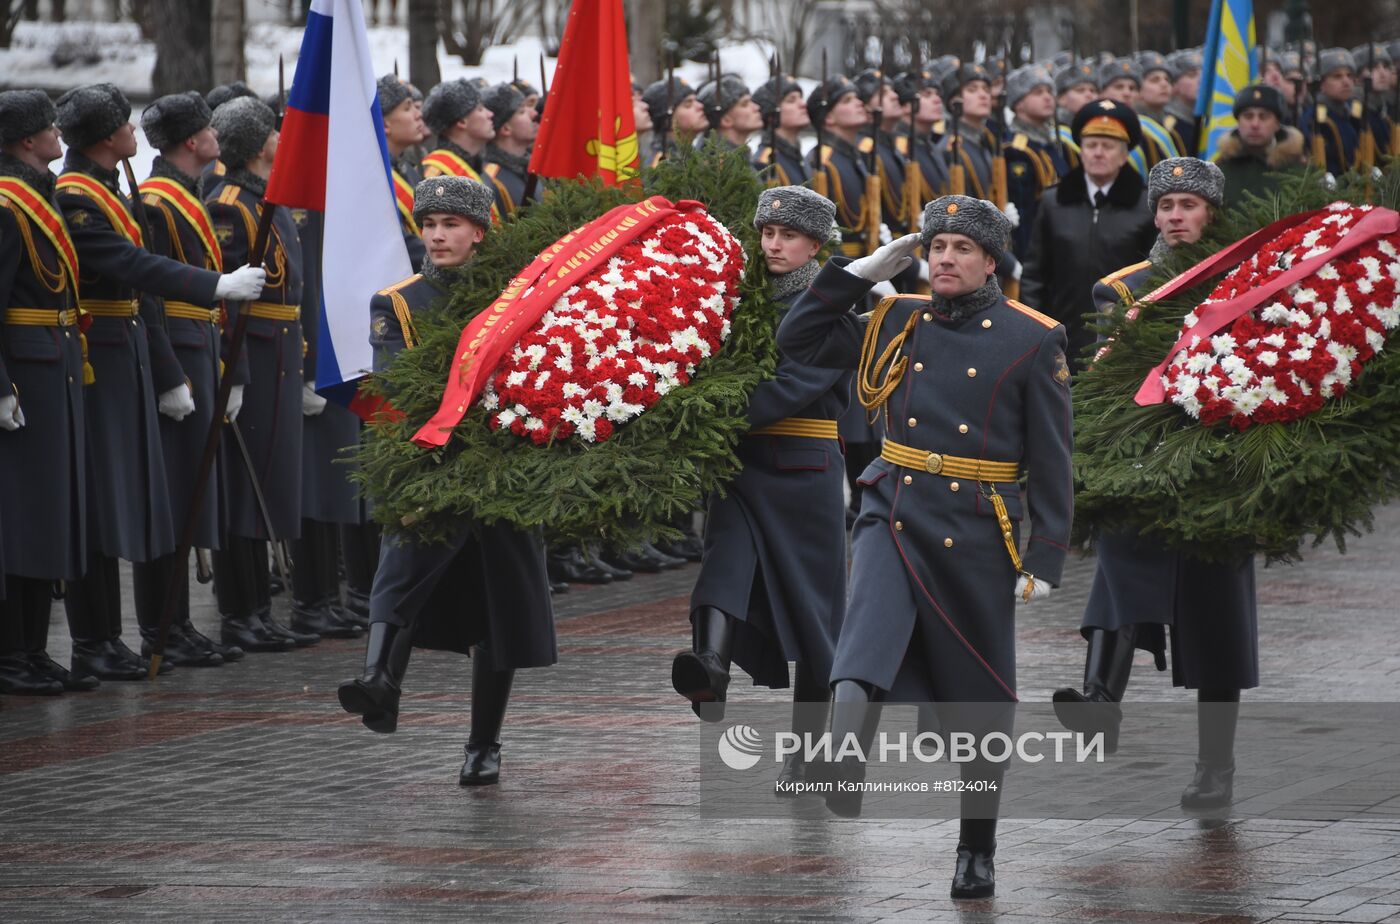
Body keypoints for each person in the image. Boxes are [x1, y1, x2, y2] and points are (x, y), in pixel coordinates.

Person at [777, 196, 1072, 899]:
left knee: (980, 695)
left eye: (961, 249)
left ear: (991, 262)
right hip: (894, 502)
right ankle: (843, 759)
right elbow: (798, 339)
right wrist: (854, 275)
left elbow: (1054, 458)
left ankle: (977, 846)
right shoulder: (897, 317)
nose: (943, 258)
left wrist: (1046, 554)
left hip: (976, 524)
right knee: (863, 638)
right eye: (935, 246)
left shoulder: (1032, 337)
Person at [338, 177, 557, 786]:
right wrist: (408, 473)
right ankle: (379, 680)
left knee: (498, 606)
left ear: (479, 232)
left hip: (501, 468)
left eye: (451, 225)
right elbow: (394, 394)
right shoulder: (400, 302)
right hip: (432, 462)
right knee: (401, 567)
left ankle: (484, 745)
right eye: (428, 224)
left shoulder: (517, 297)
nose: (437, 235)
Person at [1055, 157, 1253, 811]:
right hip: (1143, 457)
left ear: (1212, 213)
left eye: (1188, 206)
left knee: (1215, 616)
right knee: (1121, 562)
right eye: (1165, 206)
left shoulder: (1249, 282)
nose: (1174, 217)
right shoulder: (1126, 288)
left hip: (1218, 463)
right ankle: (1098, 700)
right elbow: (1107, 380)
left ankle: (1217, 766)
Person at [53, 83, 267, 683]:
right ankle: (114, 635)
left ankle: (154, 628)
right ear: (106, 138)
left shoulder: (110, 190)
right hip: (109, 359)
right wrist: (215, 289)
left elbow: (139, 285)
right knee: (114, 505)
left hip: (141, 354)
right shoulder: (80, 196)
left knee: (148, 498)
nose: (133, 132)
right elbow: (131, 268)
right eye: (124, 123)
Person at [673, 186, 849, 792]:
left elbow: (789, 388)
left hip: (803, 464)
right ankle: (710, 667)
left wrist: (703, 413)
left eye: (789, 236)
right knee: (725, 561)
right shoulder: (737, 302)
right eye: (767, 233)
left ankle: (811, 750)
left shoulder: (836, 315)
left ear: (816, 246)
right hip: (742, 460)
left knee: (812, 613)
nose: (774, 245)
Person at [129, 91, 262, 671]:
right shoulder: (156, 201)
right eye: (210, 128)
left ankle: (179, 623)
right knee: (173, 498)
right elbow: (148, 295)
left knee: (193, 496)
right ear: (192, 141)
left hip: (204, 347)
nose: (218, 135)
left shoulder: (186, 193)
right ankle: (163, 626)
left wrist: (233, 369)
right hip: (180, 353)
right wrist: (169, 374)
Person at [206, 95, 313, 652]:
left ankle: (259, 612)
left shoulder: (263, 196)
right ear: (258, 142)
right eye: (272, 131)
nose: (281, 136)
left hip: (280, 348)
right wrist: (236, 372)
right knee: (246, 485)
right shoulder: (230, 204)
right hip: (255, 351)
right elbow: (227, 299)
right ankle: (239, 612)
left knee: (268, 484)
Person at [0, 90, 88, 695]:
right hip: (23, 374)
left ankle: (32, 646)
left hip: (52, 365)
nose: (60, 136)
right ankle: (12, 652)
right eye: (49, 129)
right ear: (27, 141)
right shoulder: (7, 208)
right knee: (23, 519)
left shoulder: (36, 197)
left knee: (48, 516)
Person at [1021, 99, 1156, 372]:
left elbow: (1153, 277)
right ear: (1080, 151)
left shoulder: (1145, 206)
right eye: (1091, 145)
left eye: (1108, 146)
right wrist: (1033, 331)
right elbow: (1035, 275)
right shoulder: (1053, 201)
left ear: (1124, 154)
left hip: (1122, 340)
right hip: (1059, 337)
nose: (1098, 153)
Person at [1002, 65, 1069, 261]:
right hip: (1036, 251)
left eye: (1049, 91)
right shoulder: (1016, 150)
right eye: (1038, 92)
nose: (1048, 97)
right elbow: (1023, 212)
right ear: (1019, 103)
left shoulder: (1051, 144)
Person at [420, 78, 500, 226]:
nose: (490, 114)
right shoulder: (438, 176)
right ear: (462, 122)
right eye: (481, 109)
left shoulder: (480, 170)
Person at [1214, 84, 1308, 205]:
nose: (1255, 124)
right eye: (1248, 116)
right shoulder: (1220, 170)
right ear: (1238, 121)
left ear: (1277, 124)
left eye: (1264, 117)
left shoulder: (1299, 170)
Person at [378, 74, 428, 272]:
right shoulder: (369, 179)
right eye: (408, 108)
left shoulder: (407, 169)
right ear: (384, 124)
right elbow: (394, 241)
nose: (418, 115)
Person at [481, 82, 538, 218]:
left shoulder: (534, 169)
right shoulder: (489, 180)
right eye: (522, 111)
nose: (534, 114)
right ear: (506, 128)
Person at [751, 73, 811, 186]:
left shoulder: (798, 158)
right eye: (791, 100)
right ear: (771, 114)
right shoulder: (764, 163)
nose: (803, 104)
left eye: (801, 98)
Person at [640, 76, 706, 168]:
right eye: (688, 104)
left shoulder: (690, 155)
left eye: (696, 101)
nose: (700, 106)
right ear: (667, 120)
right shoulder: (662, 164)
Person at [696, 74, 762, 153]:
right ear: (725, 120)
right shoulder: (717, 162)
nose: (756, 107)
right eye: (745, 104)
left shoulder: (738, 155)